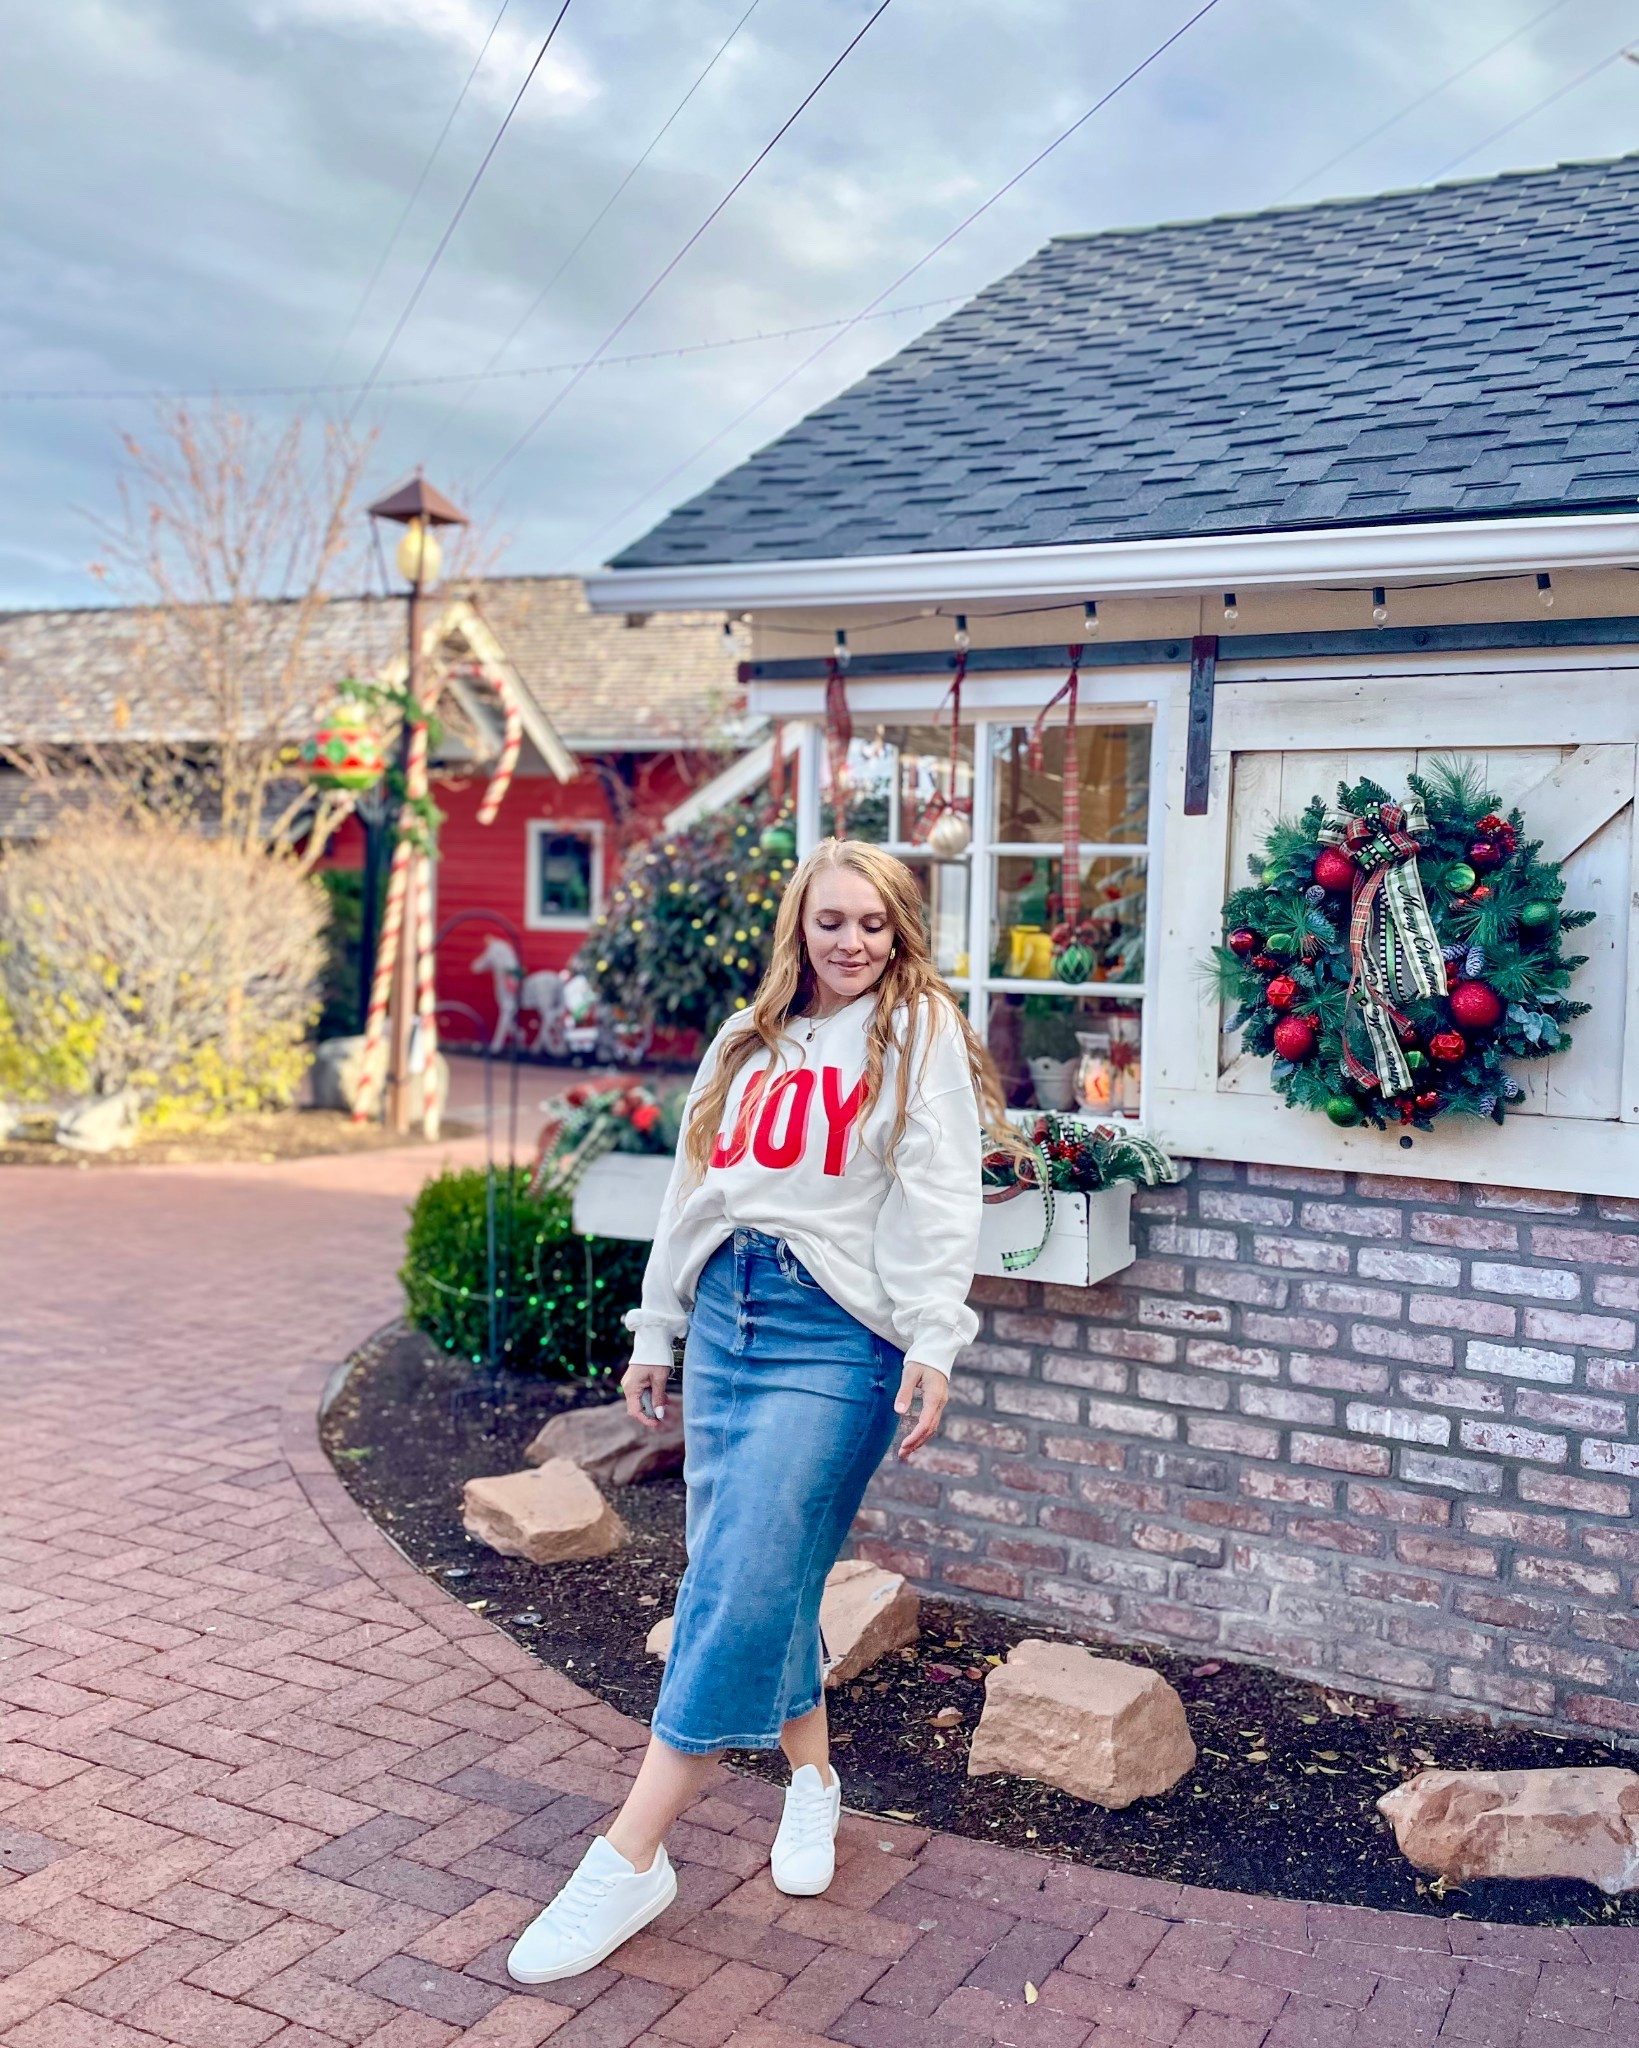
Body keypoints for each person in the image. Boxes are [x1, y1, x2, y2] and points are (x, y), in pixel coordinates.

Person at [506, 837, 1024, 1984]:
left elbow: (944, 1189)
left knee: (738, 1579)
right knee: (746, 1568)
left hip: (834, 1330)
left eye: (874, 924)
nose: (852, 942)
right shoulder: (749, 1037)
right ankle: (814, 1780)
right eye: (831, 920)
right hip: (729, 1315)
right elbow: (698, 1188)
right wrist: (656, 1326)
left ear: (900, 933)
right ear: (799, 924)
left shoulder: (916, 1030)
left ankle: (630, 1852)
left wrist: (935, 1338)